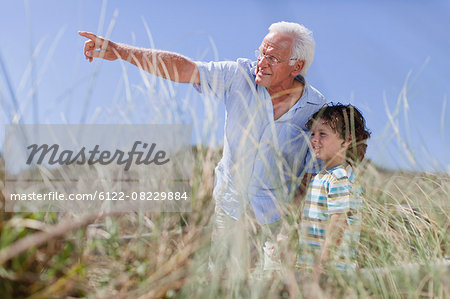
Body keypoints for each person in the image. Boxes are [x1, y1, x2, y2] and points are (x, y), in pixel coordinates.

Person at [79, 21, 326, 272]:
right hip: (231, 208)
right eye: (261, 52)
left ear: (297, 66)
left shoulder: (317, 109)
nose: (262, 62)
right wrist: (120, 51)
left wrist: (290, 224)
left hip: (276, 218)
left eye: (272, 57)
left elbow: (312, 173)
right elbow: (185, 69)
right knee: (219, 283)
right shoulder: (238, 76)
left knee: (275, 287)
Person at [298, 103, 370, 279]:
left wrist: (323, 263)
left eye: (323, 134)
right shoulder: (320, 177)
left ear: (347, 140)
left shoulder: (340, 177)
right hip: (311, 267)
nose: (315, 139)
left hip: (331, 271)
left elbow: (338, 222)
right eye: (313, 134)